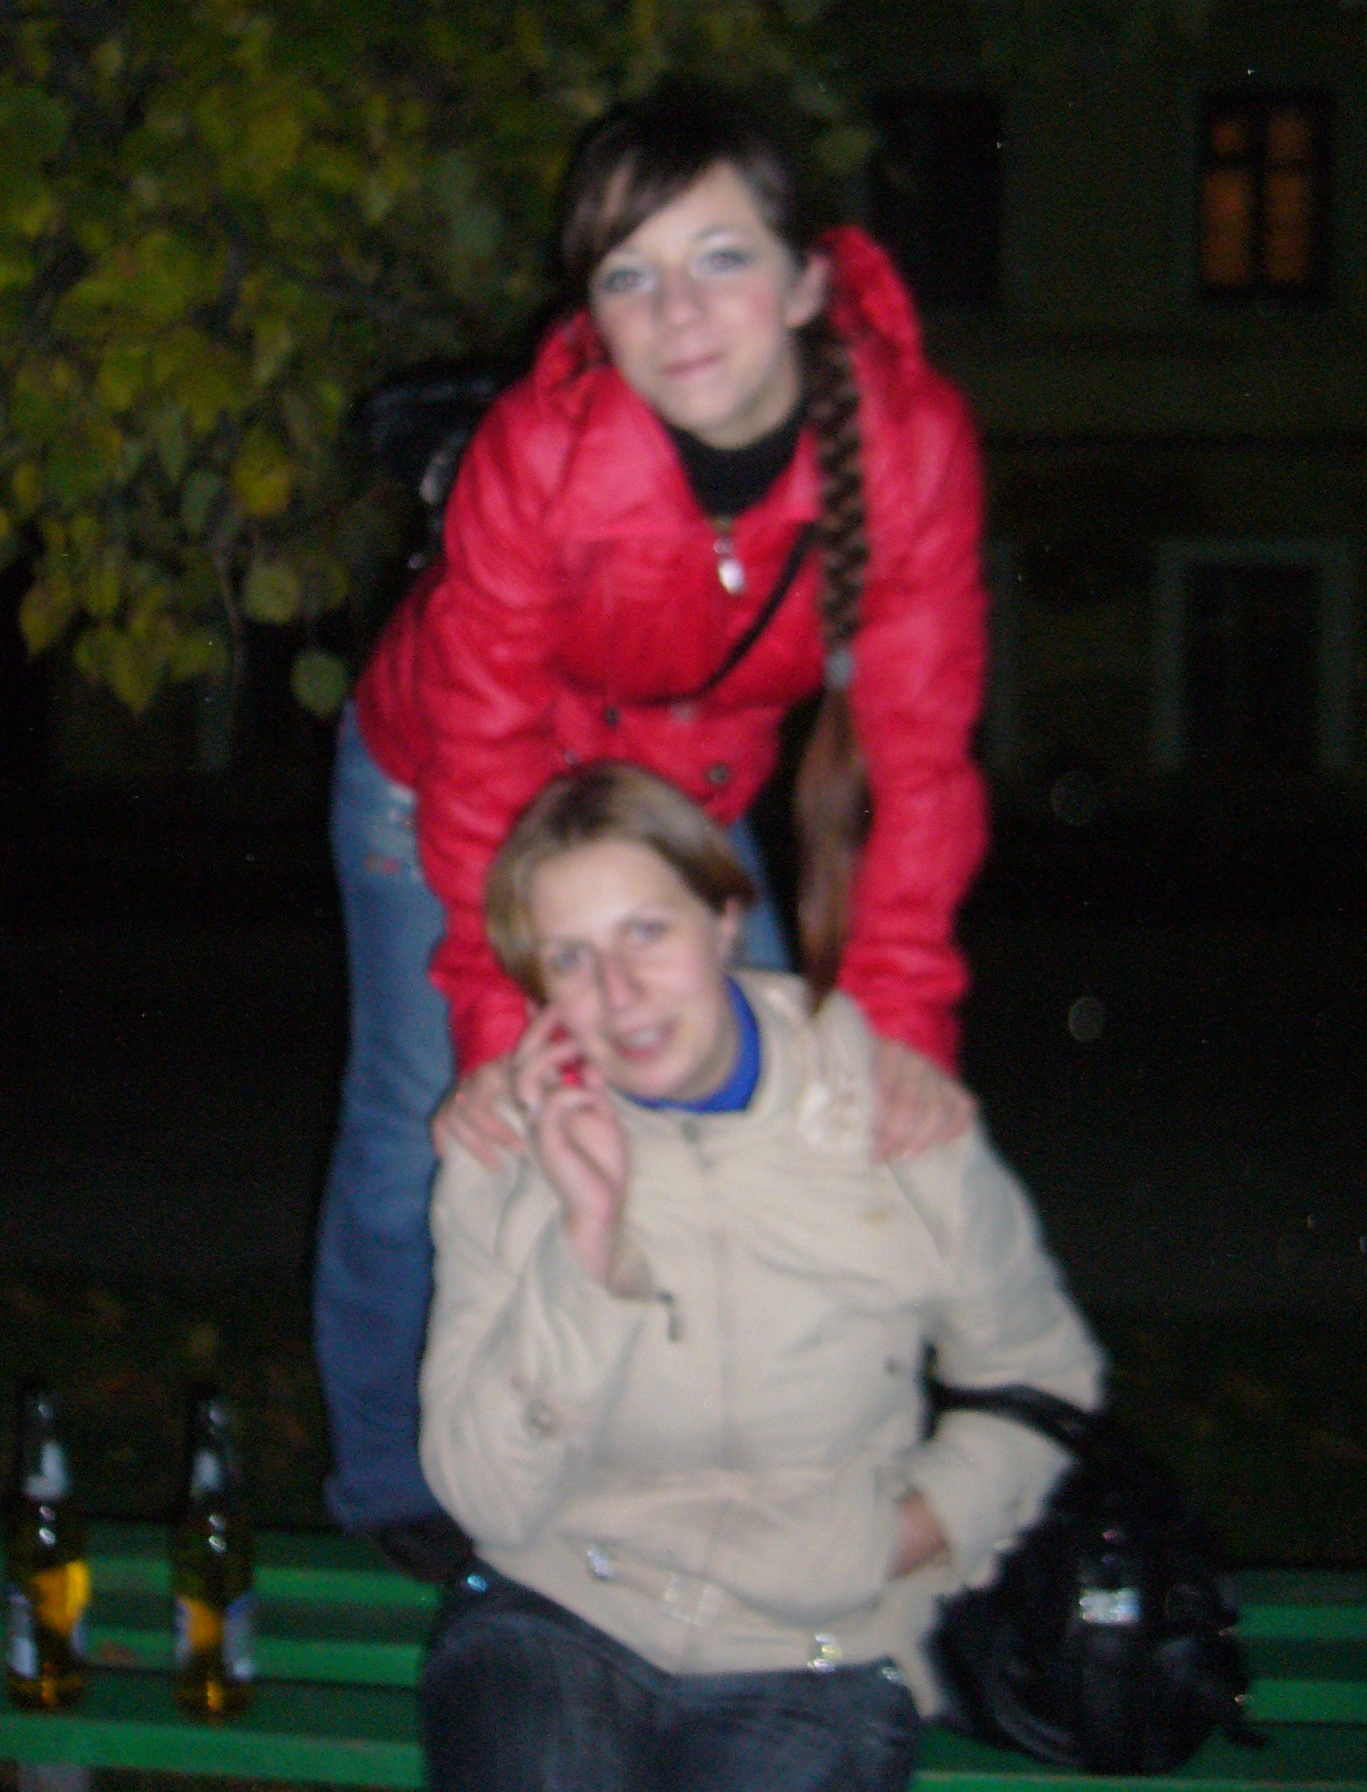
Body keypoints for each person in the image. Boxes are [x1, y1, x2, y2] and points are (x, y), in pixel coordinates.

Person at [315, 81, 990, 1573]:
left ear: (805, 280)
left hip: (683, 796)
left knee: (754, 1105)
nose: (678, 312)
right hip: (446, 776)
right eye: (630, 274)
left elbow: (919, 755)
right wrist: (502, 1032)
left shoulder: (906, 447)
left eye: (721, 258)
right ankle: (393, 1476)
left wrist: (902, 1018)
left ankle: (703, 1458)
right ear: (595, 312)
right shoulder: (541, 453)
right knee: (437, 1123)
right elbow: (484, 756)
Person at [419, 764, 1102, 1792]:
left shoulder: (880, 1102)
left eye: (648, 931)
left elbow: (1042, 1376)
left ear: (726, 917)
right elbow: (484, 1496)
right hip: (556, 1616)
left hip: (813, 1654)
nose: (619, 992)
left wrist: (919, 1525)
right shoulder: (505, 1143)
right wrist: (586, 1253)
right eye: (571, 957)